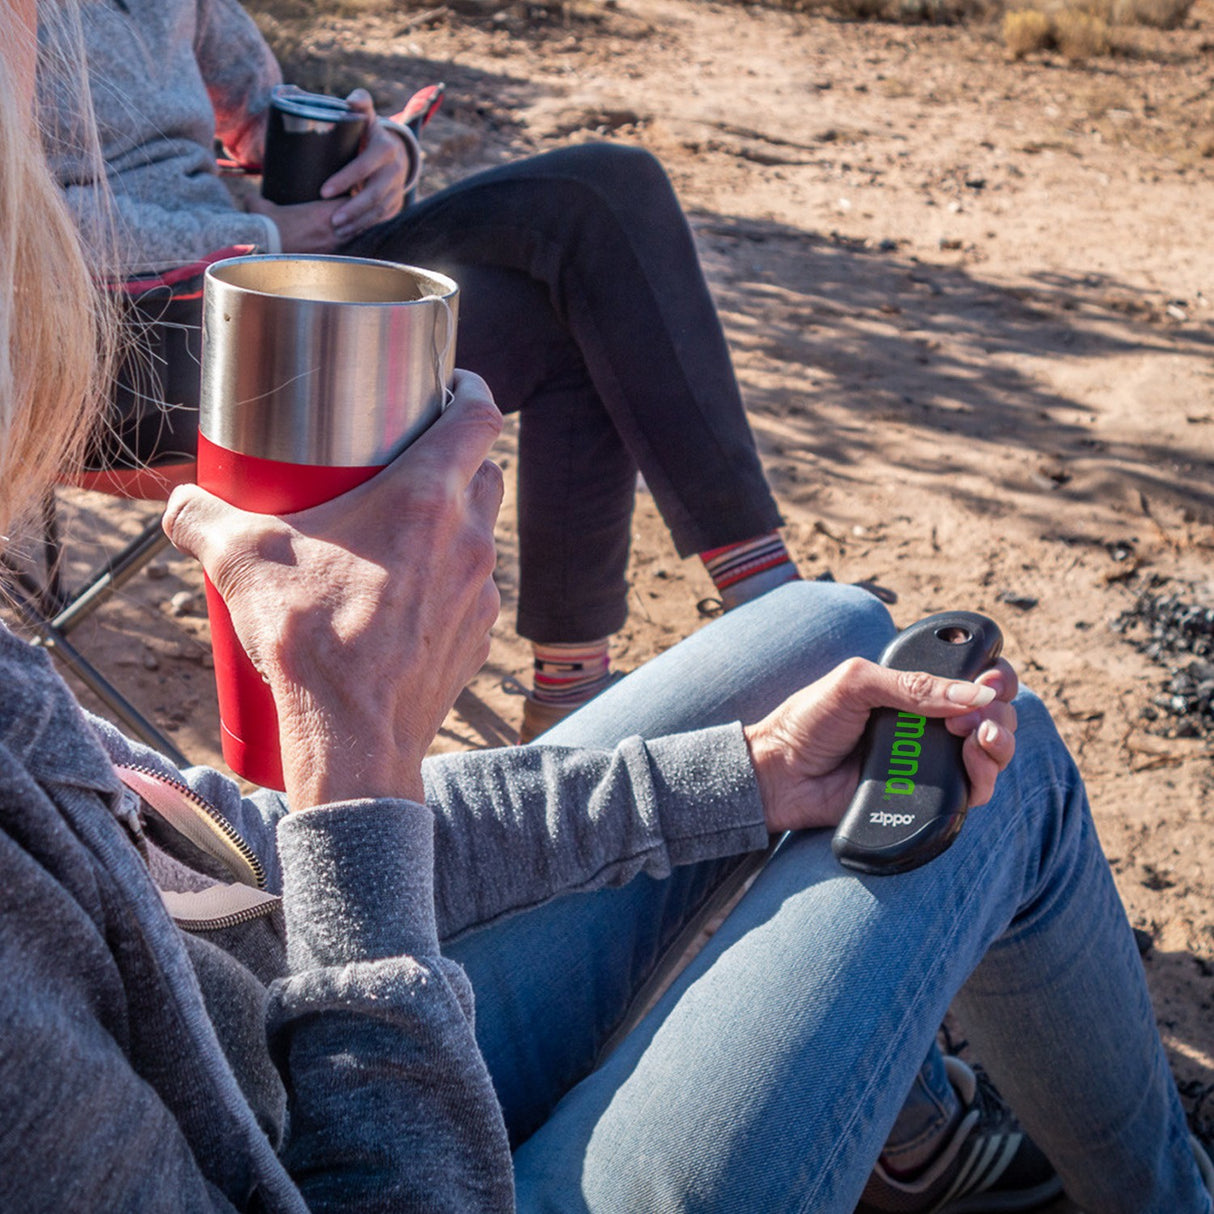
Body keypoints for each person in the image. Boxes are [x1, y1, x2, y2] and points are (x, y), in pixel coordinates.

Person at [7, 5, 1213, 1213]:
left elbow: (244, 859)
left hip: (280, 1019)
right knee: (1006, 767)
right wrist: (357, 760)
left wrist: (750, 770)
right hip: (363, 1134)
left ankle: (654, 668)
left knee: (829, 629)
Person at [41, 0, 805, 744]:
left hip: (262, 308)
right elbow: (29, 223)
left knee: (577, 296)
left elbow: (265, 114)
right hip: (115, 363)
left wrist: (378, 155)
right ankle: (780, 613)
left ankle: (573, 690)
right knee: (603, 188)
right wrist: (264, 236)